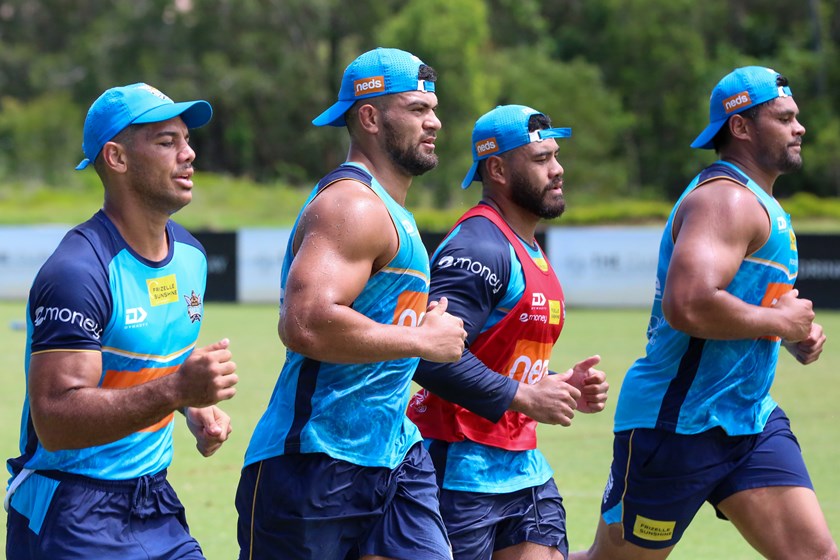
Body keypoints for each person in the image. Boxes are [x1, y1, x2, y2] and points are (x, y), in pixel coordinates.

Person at [569, 67, 838, 560]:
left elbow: (753, 304)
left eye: (796, 117)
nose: (800, 127)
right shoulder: (725, 199)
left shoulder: (760, 202)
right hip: (675, 425)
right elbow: (688, 303)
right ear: (740, 127)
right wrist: (781, 323)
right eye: (784, 118)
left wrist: (794, 332)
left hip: (747, 419)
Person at [234, 47, 467, 560]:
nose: (436, 122)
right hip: (314, 461)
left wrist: (413, 327)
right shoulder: (351, 204)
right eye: (417, 110)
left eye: (433, 108)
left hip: (394, 455)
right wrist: (421, 339)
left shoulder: (392, 211)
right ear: (369, 117)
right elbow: (306, 323)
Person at [4, 83, 239, 559]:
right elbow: (56, 420)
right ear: (116, 157)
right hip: (70, 510)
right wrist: (176, 392)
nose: (189, 154)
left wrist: (192, 406)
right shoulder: (77, 272)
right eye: (166, 141)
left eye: (186, 140)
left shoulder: (190, 255)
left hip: (153, 500)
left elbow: (148, 354)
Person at [407, 104, 609, 560]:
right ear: (496, 168)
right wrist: (525, 396)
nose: (557, 170)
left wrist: (557, 383)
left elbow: (494, 352)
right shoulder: (479, 245)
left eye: (555, 156)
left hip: (522, 468)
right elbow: (429, 356)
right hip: (459, 470)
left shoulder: (526, 244)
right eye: (540, 160)